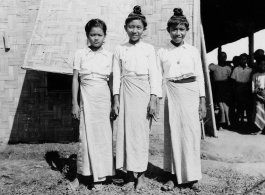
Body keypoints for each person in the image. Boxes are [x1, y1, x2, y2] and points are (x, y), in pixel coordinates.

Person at [156, 8, 206, 192]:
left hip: (191, 92)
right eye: (175, 29)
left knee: (191, 134)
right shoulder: (162, 52)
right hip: (172, 92)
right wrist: (156, 98)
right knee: (173, 133)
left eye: (182, 29)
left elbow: (200, 76)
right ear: (169, 31)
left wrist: (202, 100)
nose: (178, 33)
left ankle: (191, 177)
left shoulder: (192, 51)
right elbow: (157, 77)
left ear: (186, 30)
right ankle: (172, 176)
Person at [112, 5, 159, 192]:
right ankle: (129, 176)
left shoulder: (148, 48)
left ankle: (142, 177)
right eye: (131, 26)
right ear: (126, 28)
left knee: (140, 136)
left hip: (143, 92)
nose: (134, 30)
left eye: (138, 27)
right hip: (126, 92)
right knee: (126, 134)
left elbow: (154, 75)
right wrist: (115, 99)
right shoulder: (119, 49)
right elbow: (116, 75)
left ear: (143, 30)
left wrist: (153, 98)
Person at [70, 19, 115, 191]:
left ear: (105, 36)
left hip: (103, 100)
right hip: (86, 98)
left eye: (99, 35)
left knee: (102, 137)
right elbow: (75, 79)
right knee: (85, 136)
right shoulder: (80, 53)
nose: (96, 38)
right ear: (87, 35)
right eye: (92, 35)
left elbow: (112, 82)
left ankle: (100, 177)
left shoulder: (110, 56)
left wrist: (114, 103)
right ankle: (81, 175)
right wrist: (75, 103)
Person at [209, 52, 232, 129]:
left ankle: (227, 122)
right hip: (217, 87)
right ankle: (221, 123)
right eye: (220, 57)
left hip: (225, 88)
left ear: (226, 58)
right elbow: (209, 68)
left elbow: (230, 78)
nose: (222, 58)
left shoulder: (228, 68)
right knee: (221, 106)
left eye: (224, 57)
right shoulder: (214, 67)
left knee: (226, 106)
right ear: (217, 58)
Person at [231, 53, 252, 125]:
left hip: (247, 88)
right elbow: (233, 80)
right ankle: (239, 121)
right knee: (239, 105)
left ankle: (247, 121)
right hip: (238, 88)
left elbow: (250, 81)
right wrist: (235, 89)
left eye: (245, 59)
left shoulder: (250, 70)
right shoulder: (236, 69)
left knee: (246, 104)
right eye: (242, 59)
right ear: (240, 60)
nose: (243, 61)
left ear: (247, 60)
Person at [252, 55, 265, 134]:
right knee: (258, 111)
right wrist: (257, 94)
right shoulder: (255, 75)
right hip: (258, 96)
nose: (262, 66)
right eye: (260, 64)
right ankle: (259, 128)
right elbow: (253, 89)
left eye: (264, 64)